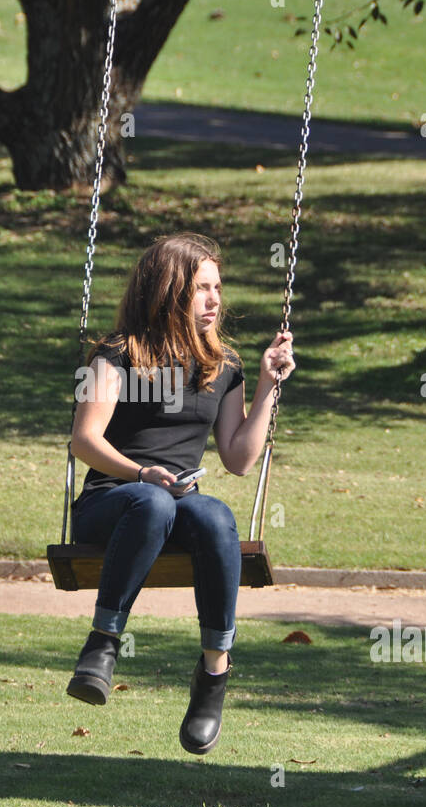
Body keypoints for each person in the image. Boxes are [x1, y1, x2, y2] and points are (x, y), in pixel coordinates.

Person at [64, 232, 296, 755]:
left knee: (214, 515)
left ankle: (214, 672)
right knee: (153, 501)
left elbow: (237, 458)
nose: (215, 299)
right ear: (168, 291)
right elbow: (85, 439)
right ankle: (103, 644)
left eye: (218, 287)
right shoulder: (116, 354)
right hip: (114, 501)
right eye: (201, 288)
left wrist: (267, 384)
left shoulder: (224, 366)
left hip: (178, 501)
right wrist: (141, 473)